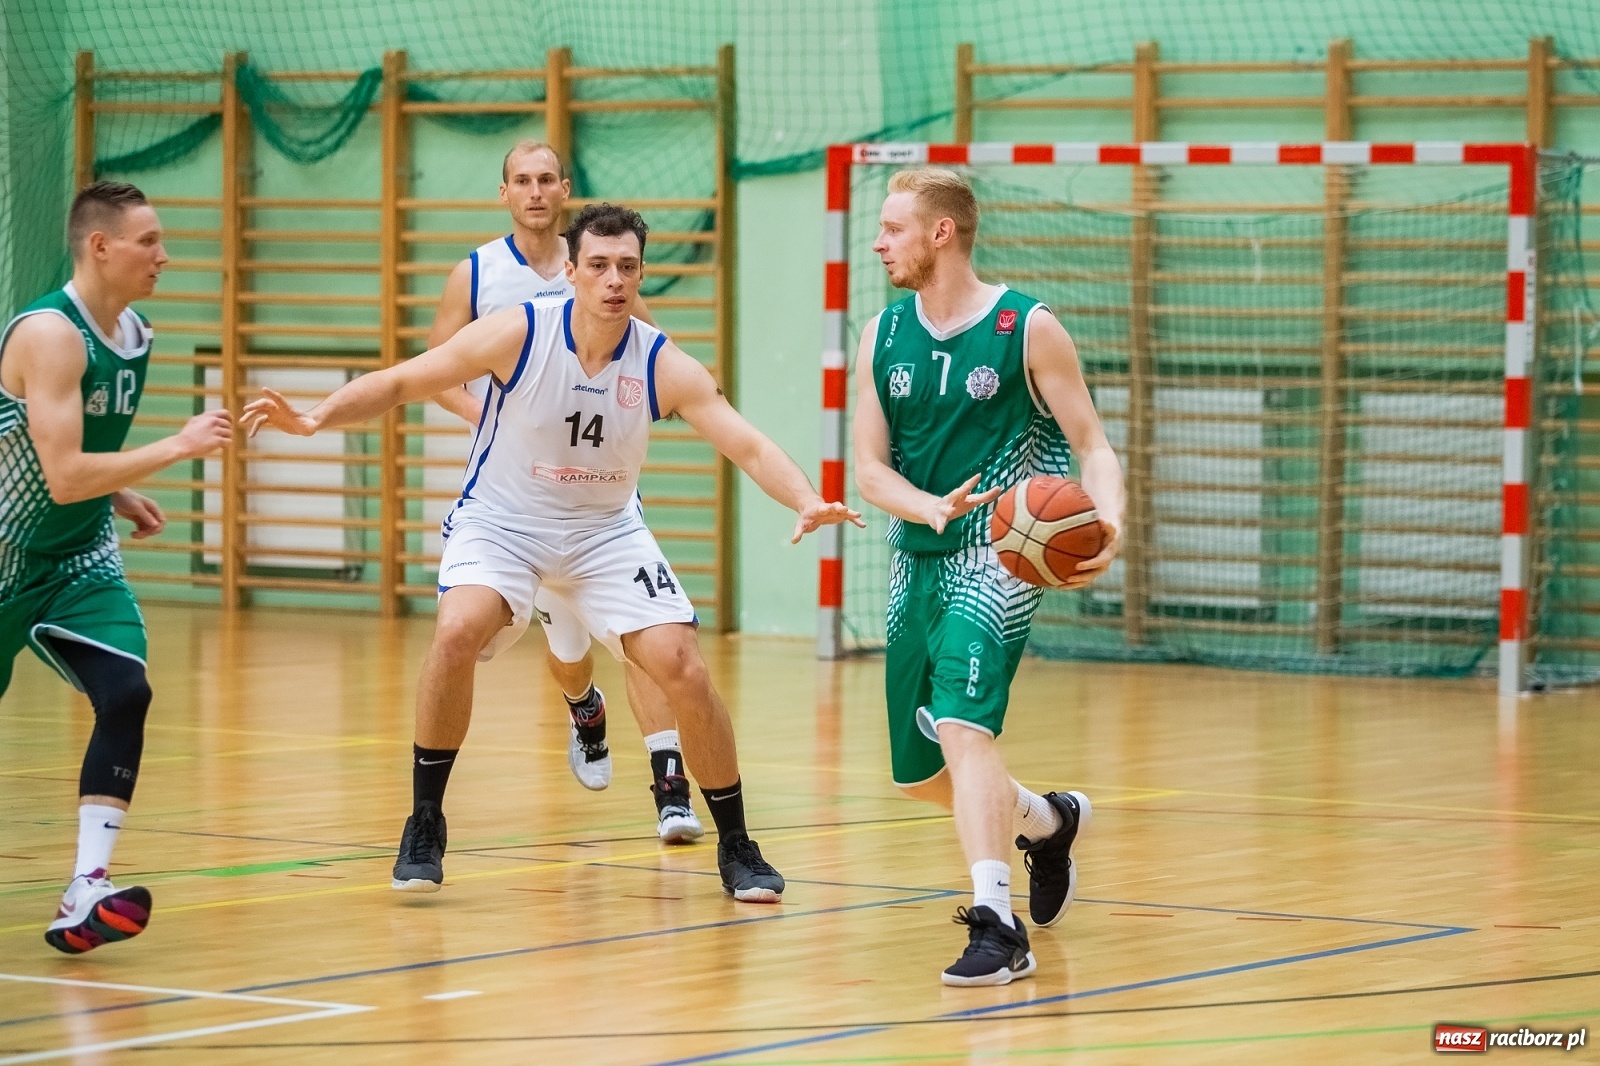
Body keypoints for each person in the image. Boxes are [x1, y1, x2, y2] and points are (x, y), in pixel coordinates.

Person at [244, 202, 862, 902]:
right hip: (504, 523)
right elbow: (403, 380)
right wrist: (317, 416)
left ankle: (737, 844)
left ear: (640, 275)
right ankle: (425, 821)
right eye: (598, 265)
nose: (613, 279)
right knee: (456, 631)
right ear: (570, 272)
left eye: (627, 266)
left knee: (683, 665)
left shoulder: (661, 362)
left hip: (605, 532)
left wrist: (804, 497)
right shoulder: (519, 332)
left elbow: (745, 443)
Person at [852, 168, 1124, 985]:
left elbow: (1093, 444)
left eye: (894, 229)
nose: (879, 243)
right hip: (916, 559)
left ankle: (997, 926)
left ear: (941, 233)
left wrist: (1109, 525)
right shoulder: (882, 334)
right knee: (916, 775)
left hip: (998, 561)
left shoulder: (1026, 327)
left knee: (966, 730)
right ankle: (1046, 822)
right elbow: (869, 469)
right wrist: (926, 506)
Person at [428, 139, 700, 844]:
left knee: (641, 640)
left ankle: (670, 785)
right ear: (505, 193)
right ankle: (585, 708)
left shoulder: (601, 269)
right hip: (517, 495)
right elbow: (436, 372)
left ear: (565, 189)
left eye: (547, 179)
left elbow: (655, 356)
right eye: (522, 180)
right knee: (569, 647)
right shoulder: (477, 274)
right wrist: (506, 416)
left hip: (601, 494)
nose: (535, 191)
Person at [0, 181, 232, 953]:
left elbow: (69, 456)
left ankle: (86, 886)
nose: (164, 255)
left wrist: (120, 489)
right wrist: (177, 446)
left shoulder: (133, 331)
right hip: (5, 552)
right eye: (149, 241)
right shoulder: (51, 334)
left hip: (76, 554)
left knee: (126, 691)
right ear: (101, 247)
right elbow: (64, 474)